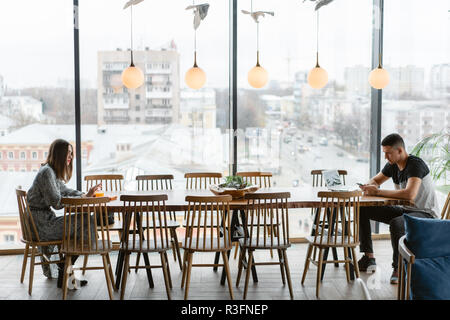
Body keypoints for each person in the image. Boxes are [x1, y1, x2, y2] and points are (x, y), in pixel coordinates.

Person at [358, 133, 440, 284]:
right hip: (406, 211)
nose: (386, 157)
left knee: (397, 223)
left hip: (426, 215)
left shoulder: (415, 164)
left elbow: (409, 194)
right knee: (363, 208)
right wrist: (370, 186)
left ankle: (398, 267)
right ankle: (368, 258)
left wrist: (377, 191)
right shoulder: (392, 165)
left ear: (400, 151)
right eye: (384, 153)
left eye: (388, 153)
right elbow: (376, 180)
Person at [27, 139, 101, 288]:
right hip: (41, 226)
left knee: (83, 223)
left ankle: (65, 270)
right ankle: (66, 269)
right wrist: (84, 198)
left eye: (72, 153)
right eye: (68, 153)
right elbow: (57, 202)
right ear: (59, 154)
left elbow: (65, 191)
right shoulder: (47, 172)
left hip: (44, 221)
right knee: (86, 220)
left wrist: (85, 195)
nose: (71, 156)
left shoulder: (50, 171)